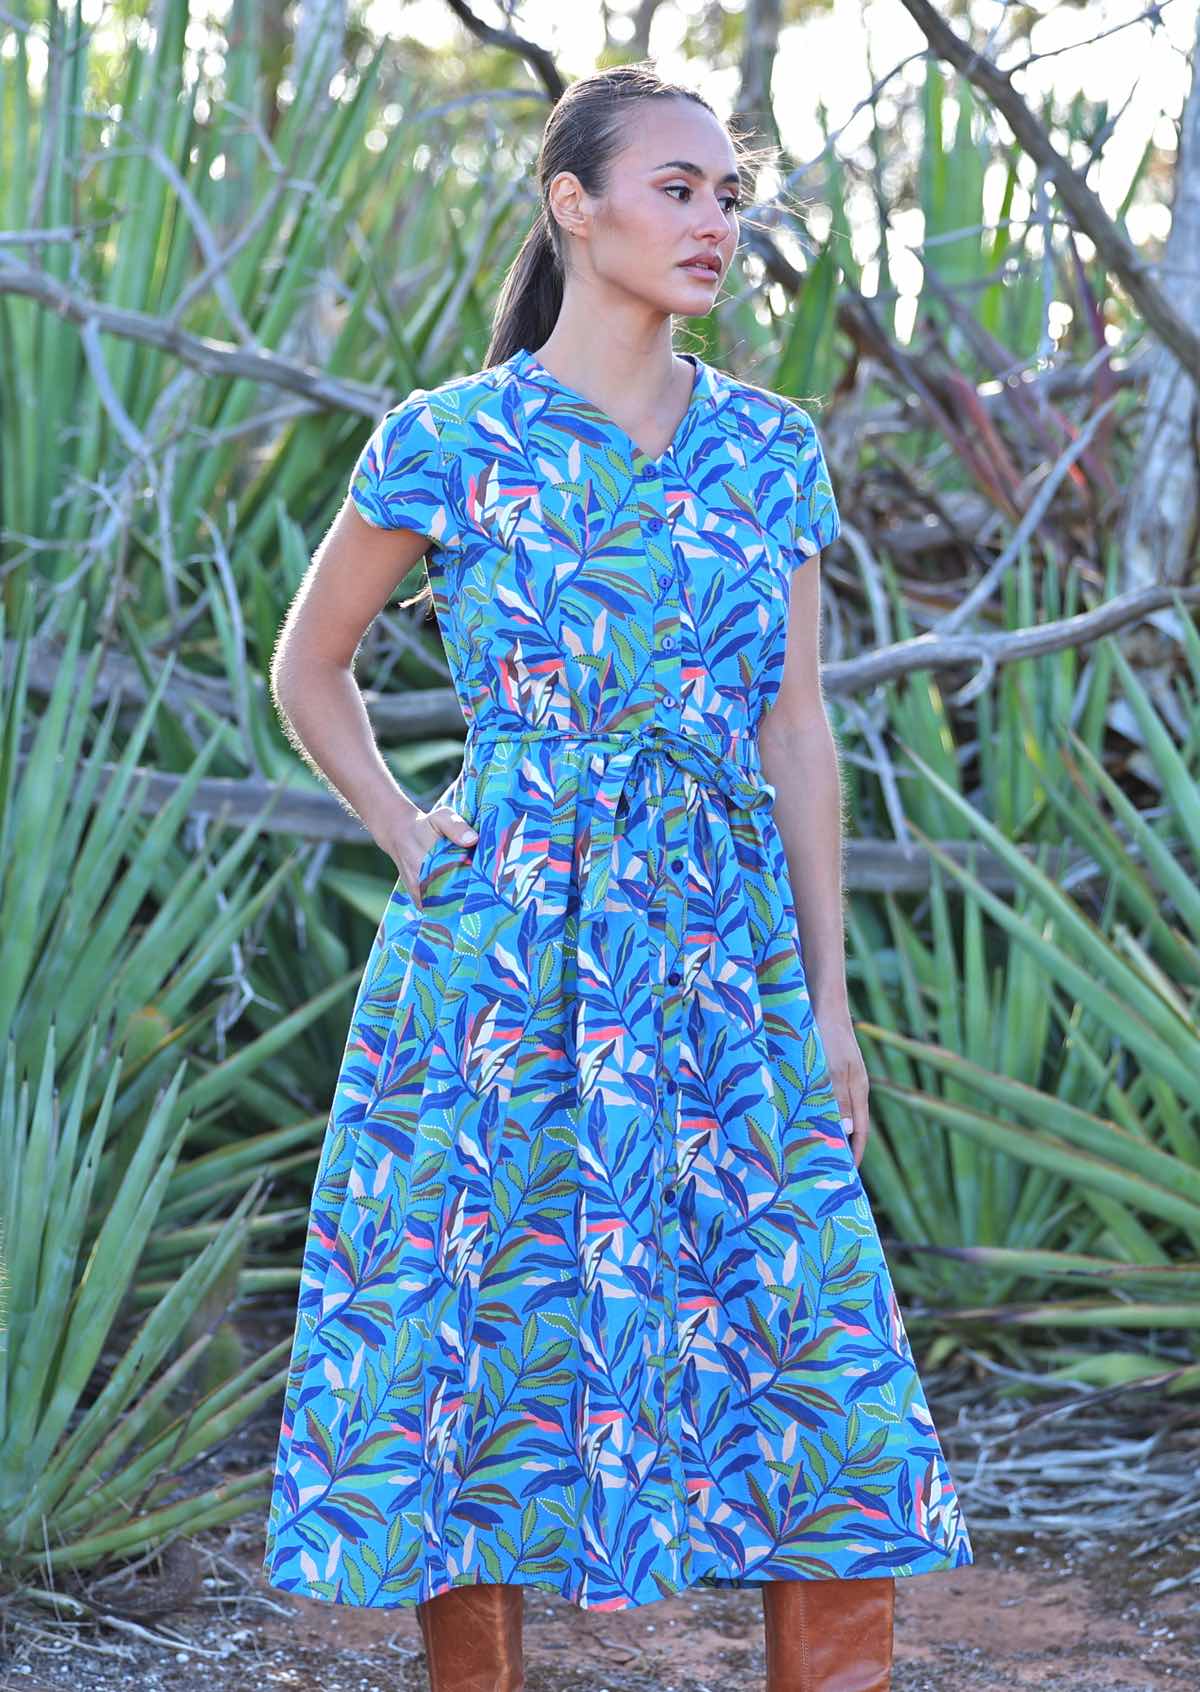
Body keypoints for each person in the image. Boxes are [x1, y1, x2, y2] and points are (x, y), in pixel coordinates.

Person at [262, 60, 973, 1692]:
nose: (719, 220)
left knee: (805, 1341)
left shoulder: (767, 448)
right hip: (501, 956)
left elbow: (799, 732)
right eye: (681, 188)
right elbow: (313, 668)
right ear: (572, 206)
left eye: (733, 194)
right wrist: (405, 833)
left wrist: (833, 1008)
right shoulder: (454, 438)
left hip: (718, 953)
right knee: (484, 1330)